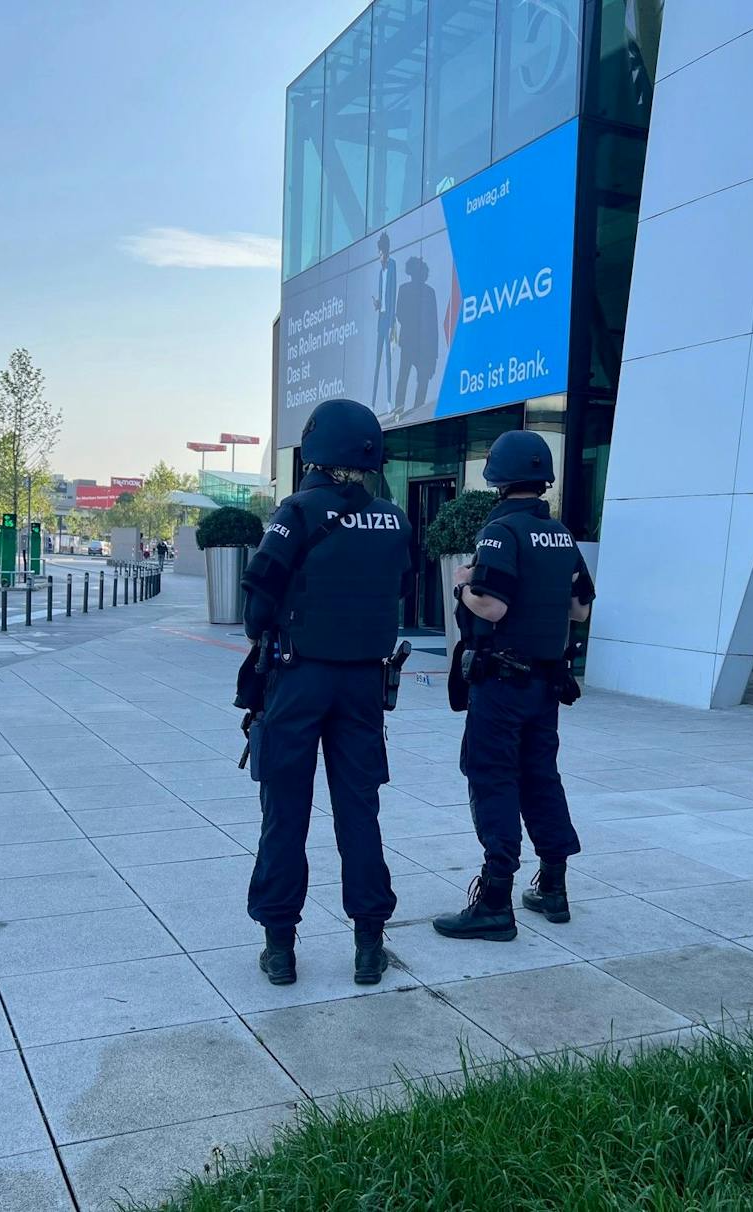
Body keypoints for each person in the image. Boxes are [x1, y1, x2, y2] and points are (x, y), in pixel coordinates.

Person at [240, 398, 413, 986]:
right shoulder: (395, 519)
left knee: (285, 813)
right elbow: (397, 587)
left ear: (318, 448)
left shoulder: (298, 511)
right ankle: (369, 944)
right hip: (364, 685)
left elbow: (258, 603)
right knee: (359, 813)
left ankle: (281, 947)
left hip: (299, 680)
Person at [433, 430, 593, 942]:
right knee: (541, 778)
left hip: (502, 683)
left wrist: (462, 583)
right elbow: (580, 608)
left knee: (494, 778)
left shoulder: (500, 532)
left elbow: (492, 605)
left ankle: (495, 900)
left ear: (498, 477)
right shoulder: (561, 534)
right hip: (546, 685)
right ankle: (554, 887)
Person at [393, 255, 440, 419]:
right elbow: (399, 314)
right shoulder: (404, 289)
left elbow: (434, 323)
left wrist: (435, 354)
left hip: (425, 345)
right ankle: (399, 409)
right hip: (409, 342)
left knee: (423, 378)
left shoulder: (430, 292)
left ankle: (418, 411)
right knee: (403, 377)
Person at [370, 232, 398, 417]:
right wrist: (377, 303)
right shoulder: (381, 272)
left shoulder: (392, 266)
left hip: (388, 319)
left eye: (380, 252)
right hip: (380, 318)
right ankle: (372, 404)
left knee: (388, 361)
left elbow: (393, 294)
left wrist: (391, 324)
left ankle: (389, 401)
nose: (379, 256)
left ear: (385, 251)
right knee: (377, 361)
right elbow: (384, 295)